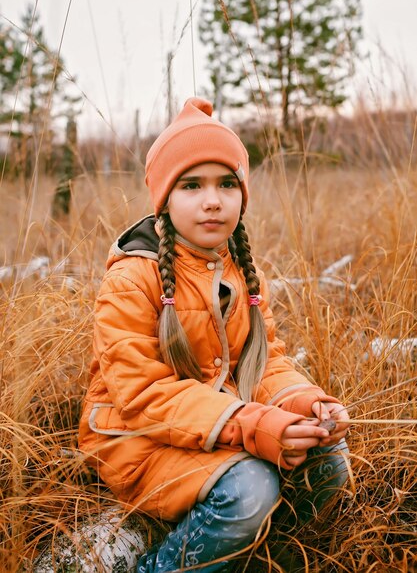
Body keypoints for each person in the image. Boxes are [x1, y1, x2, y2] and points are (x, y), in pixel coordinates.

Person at [78, 97, 350, 572]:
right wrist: (250, 424)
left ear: (243, 194)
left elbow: (262, 362)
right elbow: (141, 395)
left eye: (227, 183)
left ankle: (258, 556)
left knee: (328, 459)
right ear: (164, 198)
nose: (212, 200)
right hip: (135, 437)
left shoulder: (241, 272)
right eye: (191, 185)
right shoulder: (131, 280)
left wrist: (303, 403)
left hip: (214, 419)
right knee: (250, 487)